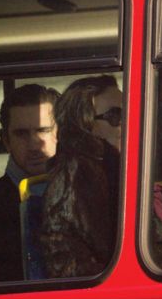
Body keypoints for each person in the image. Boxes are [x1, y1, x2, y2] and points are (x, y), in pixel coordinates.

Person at [0, 84, 59, 283]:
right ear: (6, 140)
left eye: (43, 130)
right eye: (22, 134)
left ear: (59, 133)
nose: (35, 144)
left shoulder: (82, 190)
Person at [40, 75, 122, 278]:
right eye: (115, 116)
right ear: (84, 125)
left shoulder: (119, 170)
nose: (126, 124)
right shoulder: (76, 175)